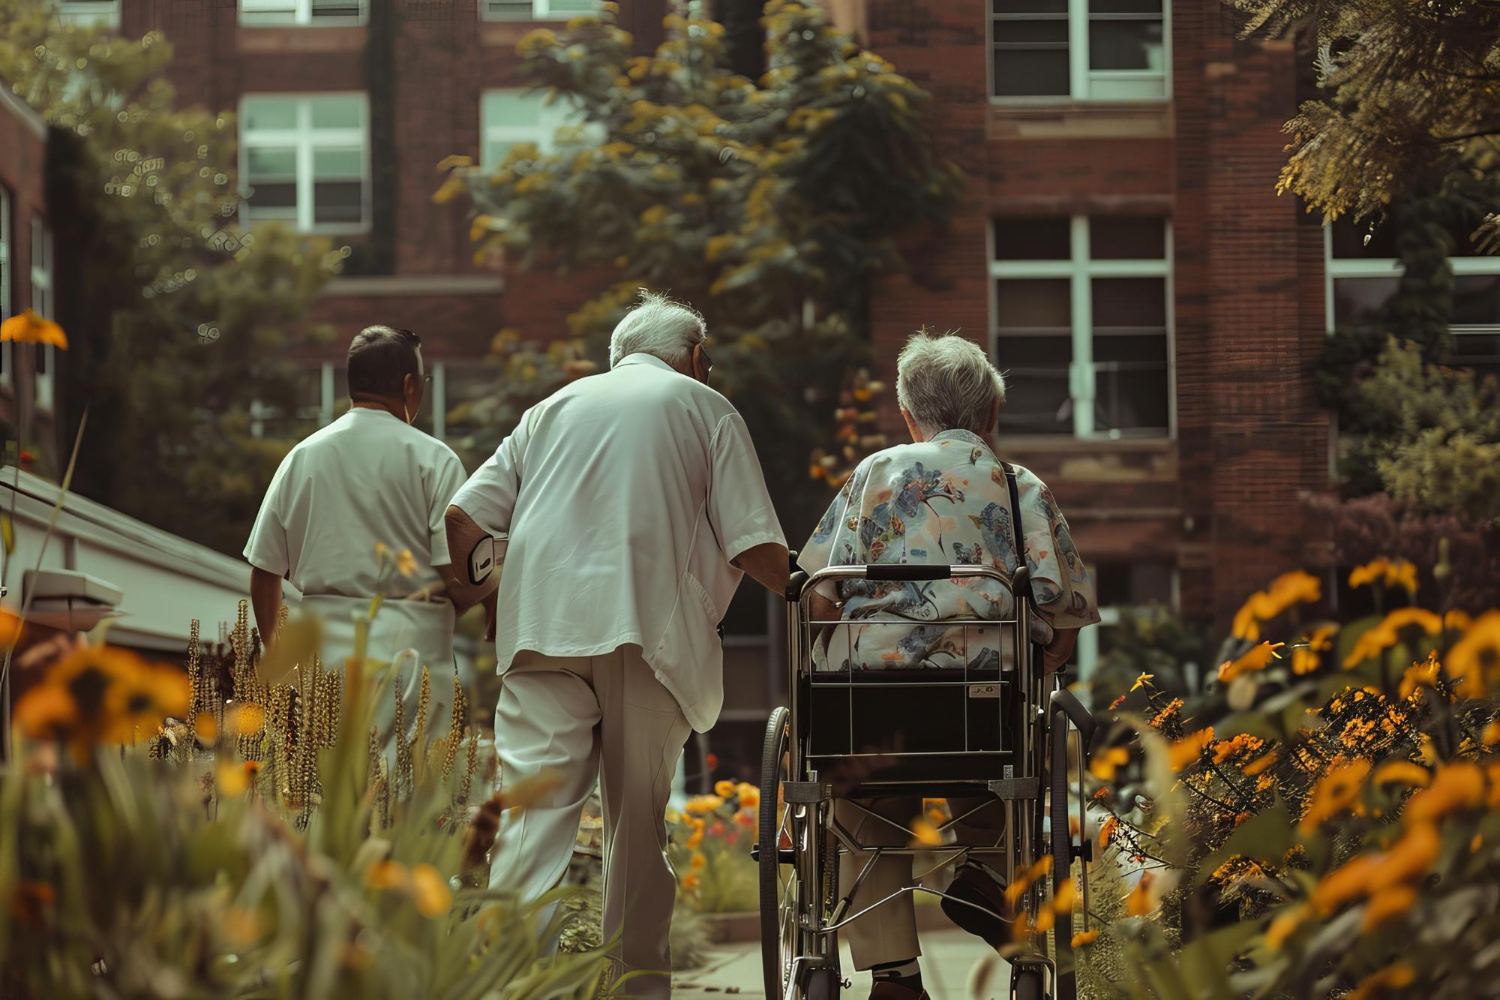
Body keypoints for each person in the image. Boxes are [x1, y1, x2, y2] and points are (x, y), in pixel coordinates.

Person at [444, 290, 787, 998]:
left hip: (540, 632)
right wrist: (813, 591)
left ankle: (516, 985)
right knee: (636, 837)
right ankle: (635, 991)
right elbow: (755, 545)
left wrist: (489, 597)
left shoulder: (549, 411)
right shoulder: (704, 407)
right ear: (693, 357)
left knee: (530, 824)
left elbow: (462, 520)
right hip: (645, 633)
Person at [797, 329, 1100, 1000]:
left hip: (872, 698)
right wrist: (1046, 644)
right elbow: (1062, 614)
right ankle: (987, 888)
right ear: (990, 414)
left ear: (908, 415)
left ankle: (894, 976)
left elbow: (816, 593)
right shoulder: (1021, 486)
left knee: (861, 808)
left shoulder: (874, 473)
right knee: (996, 780)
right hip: (981, 695)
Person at [244, 325, 478, 741]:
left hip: (324, 658)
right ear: (409, 386)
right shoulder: (435, 459)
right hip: (413, 657)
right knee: (411, 794)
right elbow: (454, 574)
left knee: (330, 797)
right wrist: (489, 590)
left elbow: (265, 571)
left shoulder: (303, 456)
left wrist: (278, 655)